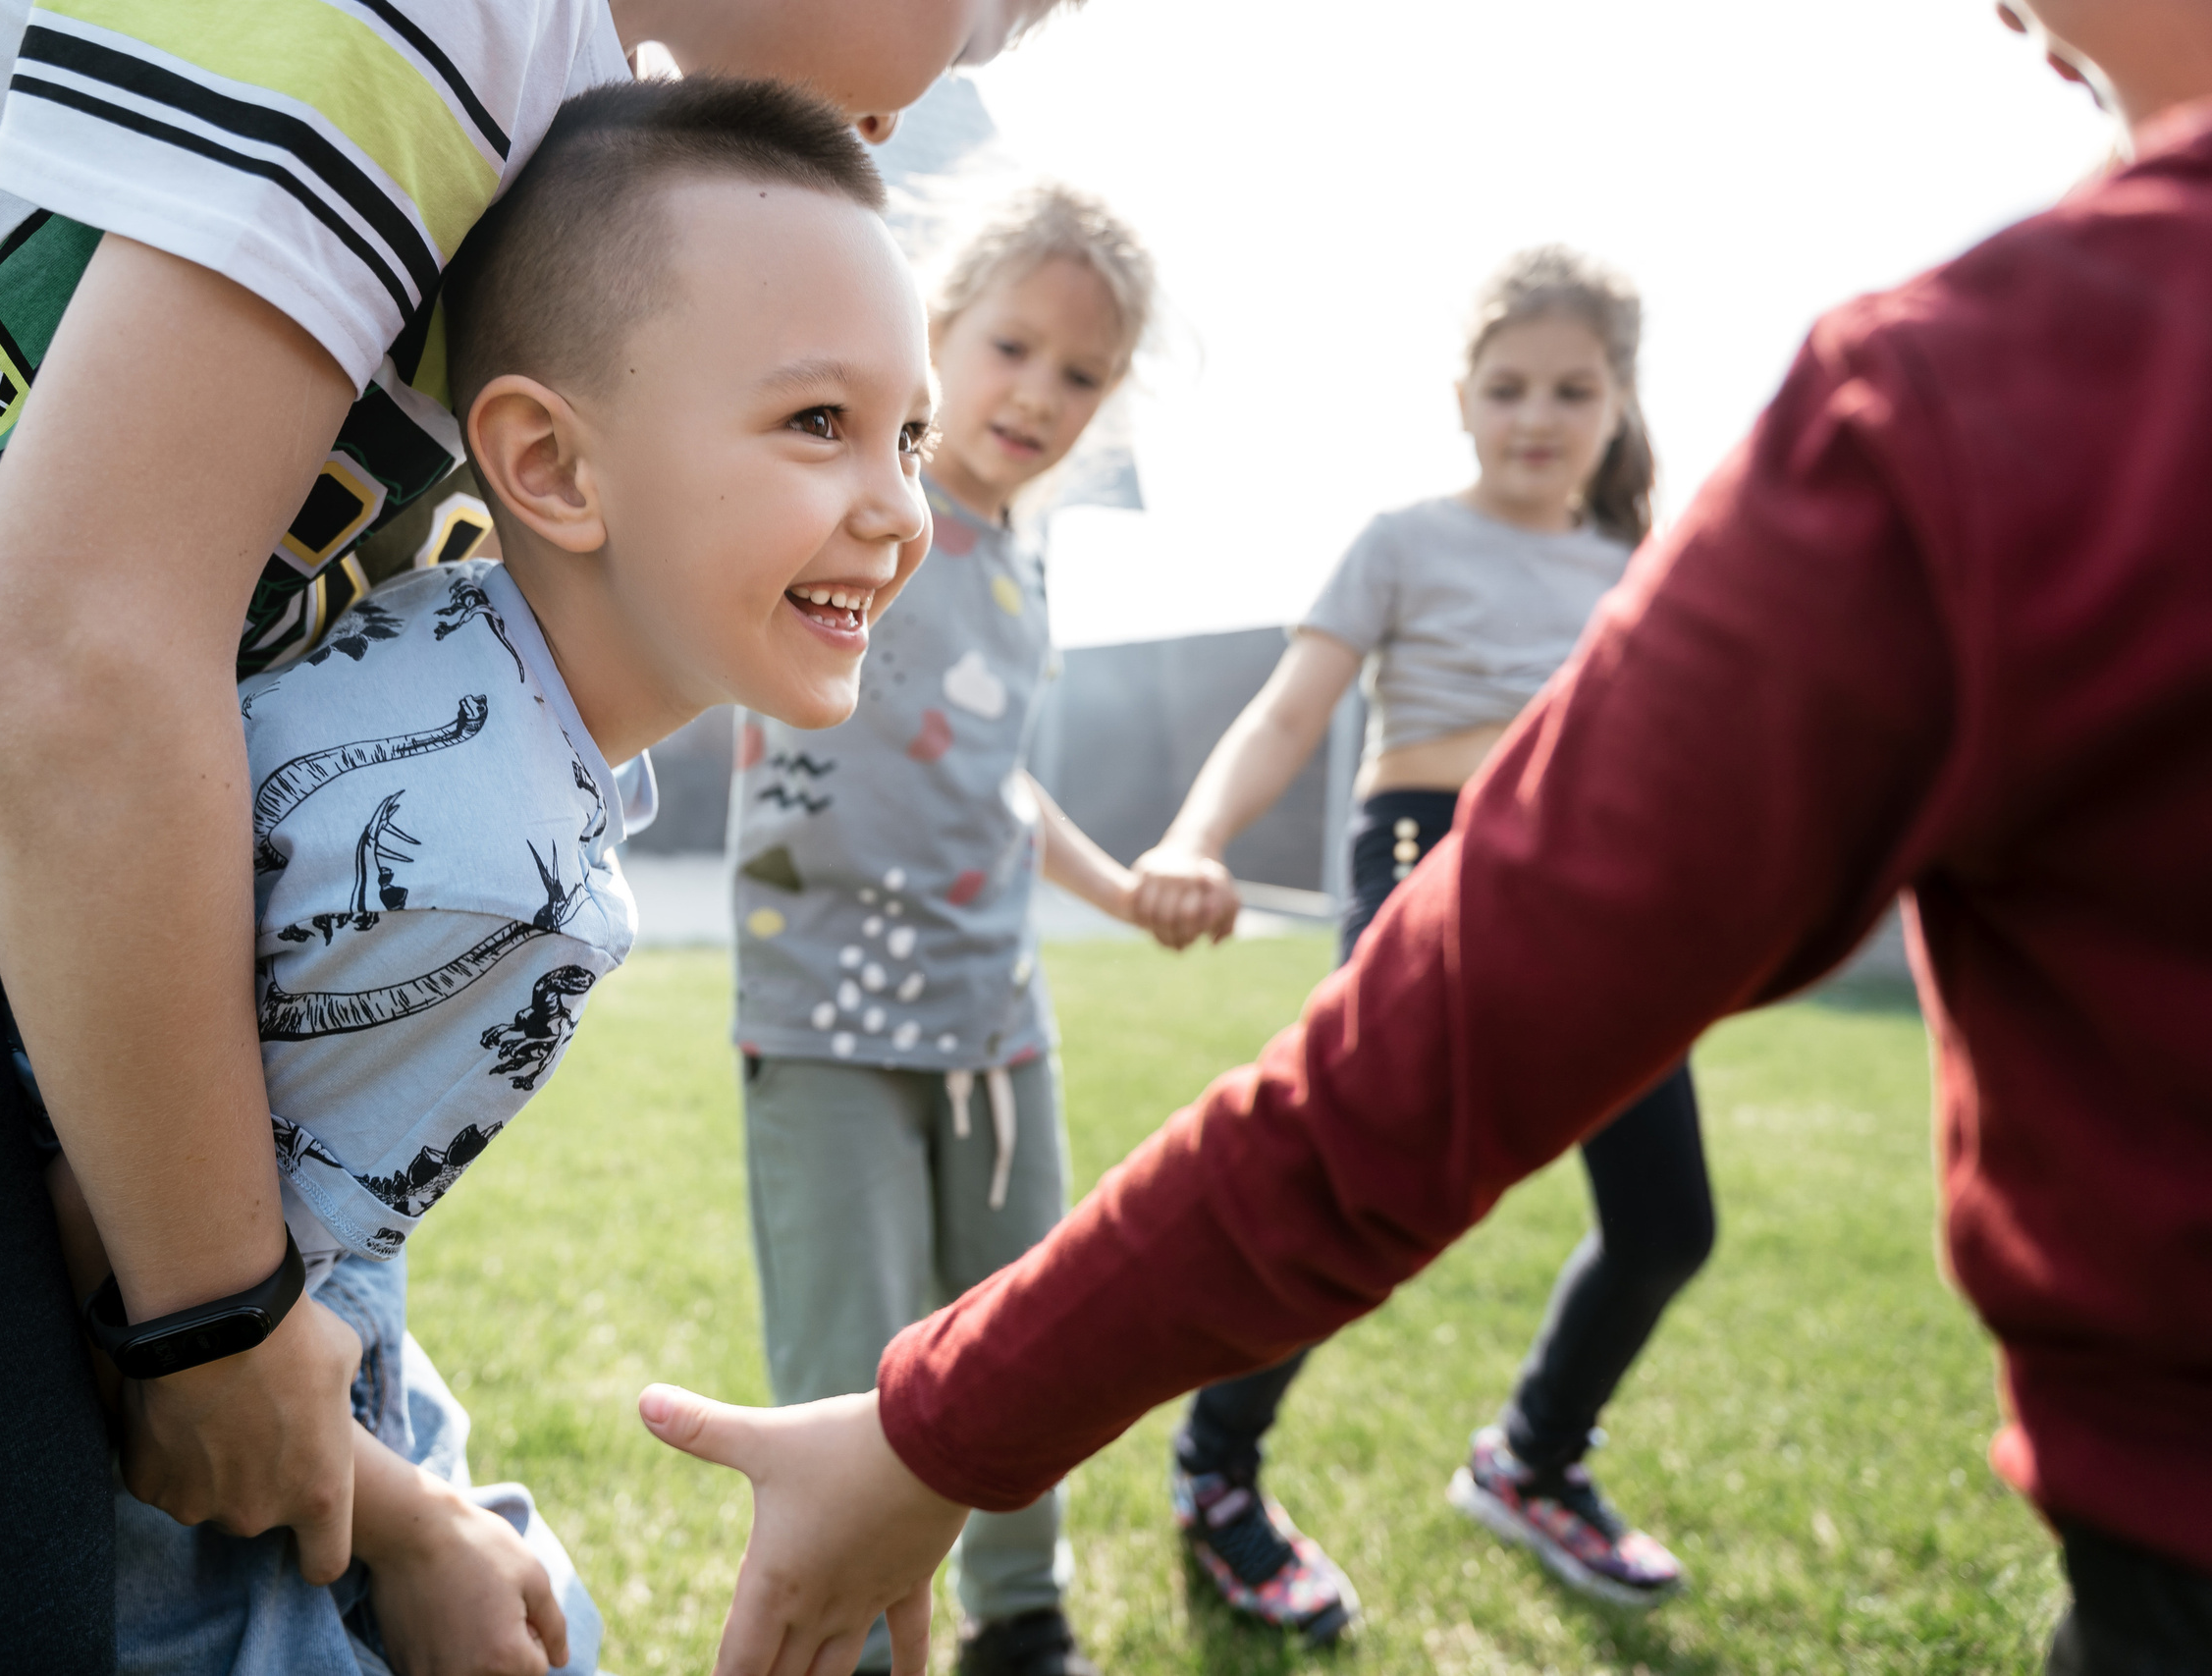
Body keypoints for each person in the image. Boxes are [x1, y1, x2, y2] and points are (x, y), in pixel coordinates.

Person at [638, 3, 2212, 1673]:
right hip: (872, 1005)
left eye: (1080, 371)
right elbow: (1289, 741)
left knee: (1641, 1212)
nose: (2008, 18)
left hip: (1010, 1007)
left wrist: (952, 1410)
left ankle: (1111, 1587)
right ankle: (1214, 1475)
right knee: (891, 1303)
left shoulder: (1974, 399)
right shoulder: (1304, 537)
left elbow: (1033, 803)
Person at [0, 0, 1057, 1664]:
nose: (978, 64)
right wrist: (218, 1324)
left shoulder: (553, 114)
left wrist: (375, 1466)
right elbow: (68, 662)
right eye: (1001, 12)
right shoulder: (467, 23)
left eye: (902, 436)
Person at [33, 76, 935, 1674]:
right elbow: (147, 1314)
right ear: (550, 465)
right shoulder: (492, 881)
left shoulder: (448, 635)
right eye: (818, 423)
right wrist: (414, 1528)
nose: (900, 508)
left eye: (907, 433)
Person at [1130, 247, 1701, 1628]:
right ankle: (1217, 1471)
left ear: (1619, 402)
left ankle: (1536, 1461)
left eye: (1572, 388)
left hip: (1596, 895)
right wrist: (1193, 839)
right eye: (1508, 386)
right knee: (1351, 1195)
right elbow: (1286, 711)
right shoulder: (1402, 539)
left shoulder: (1644, 565)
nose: (1537, 415)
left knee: (1666, 1221)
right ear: (1462, 398)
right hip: (1422, 858)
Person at [726, 183, 1156, 1676]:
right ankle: (841, 1637)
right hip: (822, 1019)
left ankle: (1019, 1621)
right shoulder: (856, 506)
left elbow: (995, 782)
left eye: (1082, 372)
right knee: (854, 1363)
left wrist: (1128, 890)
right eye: (1011, 345)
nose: (1039, 392)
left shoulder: (1029, 574)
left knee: (1021, 1348)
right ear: (937, 331)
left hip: (996, 1024)